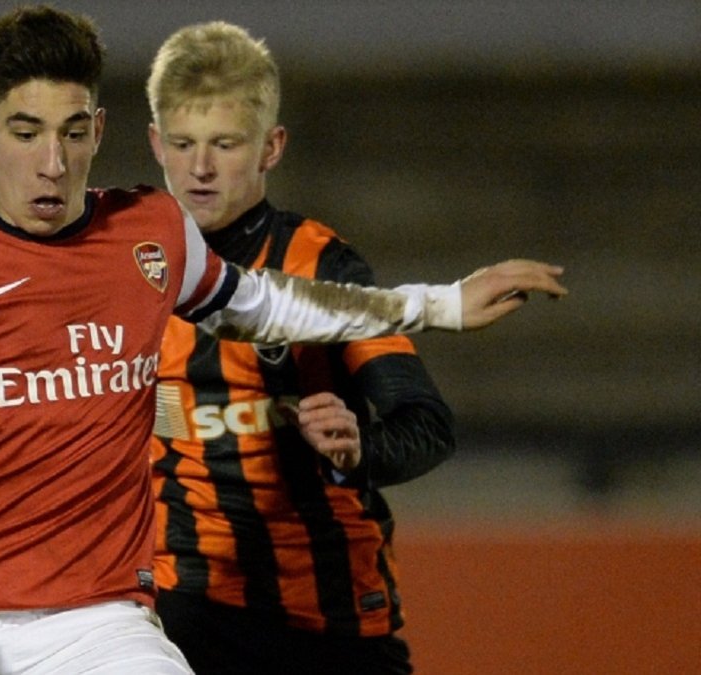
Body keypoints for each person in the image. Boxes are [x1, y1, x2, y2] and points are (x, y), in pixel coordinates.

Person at [0, 6, 566, 674]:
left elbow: (266, 303)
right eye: (25, 132)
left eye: (73, 133)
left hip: (100, 622)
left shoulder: (150, 235)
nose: (53, 163)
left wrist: (442, 303)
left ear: (100, 130)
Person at [145, 21, 477, 674]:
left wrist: (357, 451)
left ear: (271, 147)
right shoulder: (127, 268)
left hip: (328, 612)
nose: (201, 167)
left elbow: (426, 425)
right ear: (157, 143)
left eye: (225, 144)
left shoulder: (320, 265)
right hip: (187, 608)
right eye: (183, 144)